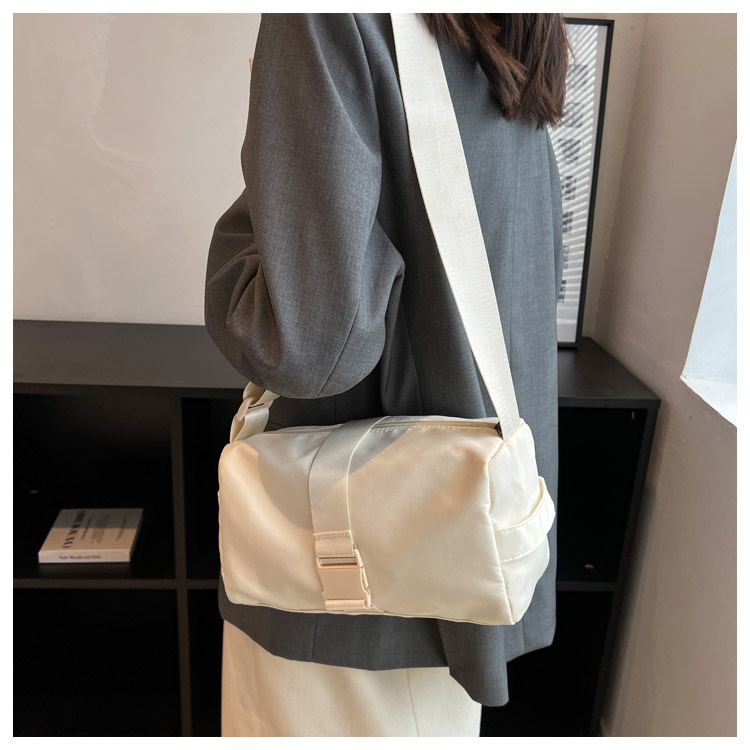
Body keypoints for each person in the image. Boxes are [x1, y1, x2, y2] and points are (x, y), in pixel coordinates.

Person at [204, 12, 569, 737]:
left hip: (345, 604)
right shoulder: (504, 29)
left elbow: (307, 347)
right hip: (455, 560)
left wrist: (262, 203)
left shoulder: (325, 19)